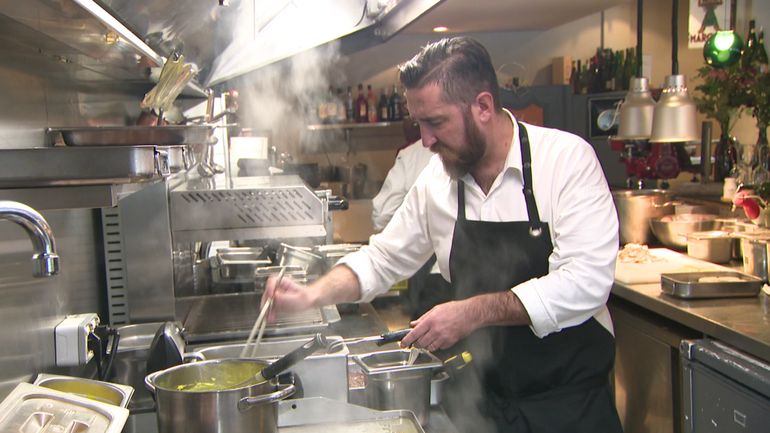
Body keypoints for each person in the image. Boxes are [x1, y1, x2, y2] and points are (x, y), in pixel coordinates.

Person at [264, 36, 622, 433]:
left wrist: (470, 312)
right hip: (483, 404)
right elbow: (383, 258)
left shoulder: (566, 161)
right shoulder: (437, 179)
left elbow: (586, 282)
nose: (426, 140)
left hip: (570, 405)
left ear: (483, 106)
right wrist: (313, 294)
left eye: (435, 122)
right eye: (419, 123)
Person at [371, 118, 451, 319]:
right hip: (465, 278)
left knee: (426, 341)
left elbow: (381, 215)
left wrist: (408, 225)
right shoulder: (467, 154)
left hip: (426, 275)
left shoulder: (410, 155)